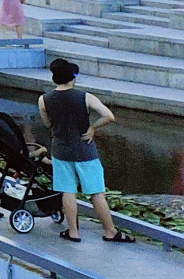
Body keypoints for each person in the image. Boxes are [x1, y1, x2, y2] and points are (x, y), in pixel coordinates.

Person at [39, 59, 130, 243]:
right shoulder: (85, 97)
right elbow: (109, 116)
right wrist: (93, 128)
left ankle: (73, 232)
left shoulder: (44, 99)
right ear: (73, 78)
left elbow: (47, 124)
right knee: (96, 192)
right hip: (85, 150)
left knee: (67, 191)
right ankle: (110, 231)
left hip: (61, 150)